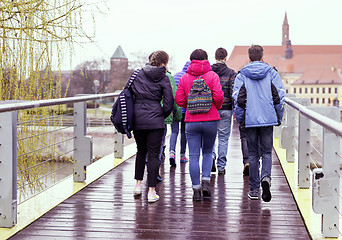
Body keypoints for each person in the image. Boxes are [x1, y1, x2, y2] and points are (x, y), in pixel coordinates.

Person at [233, 45, 285, 202]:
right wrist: (278, 117)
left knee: (253, 154)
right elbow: (279, 99)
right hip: (268, 119)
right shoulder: (272, 74)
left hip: (250, 120)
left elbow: (239, 100)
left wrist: (241, 120)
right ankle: (266, 179)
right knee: (267, 153)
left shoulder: (242, 75)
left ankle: (254, 190)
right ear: (263, 58)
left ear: (249, 58)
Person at [175, 49, 224, 201]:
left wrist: (190, 106)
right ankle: (206, 183)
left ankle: (196, 189)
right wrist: (216, 106)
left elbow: (179, 99)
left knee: (194, 155)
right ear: (206, 59)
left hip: (192, 121)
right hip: (211, 120)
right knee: (208, 152)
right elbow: (219, 96)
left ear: (191, 60)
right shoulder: (212, 76)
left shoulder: (184, 78)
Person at [132, 50, 174, 203]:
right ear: (164, 63)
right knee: (154, 155)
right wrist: (160, 114)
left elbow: (128, 94)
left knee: (141, 151)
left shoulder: (137, 75)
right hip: (156, 121)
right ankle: (151, 192)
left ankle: (137, 186)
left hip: (138, 119)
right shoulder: (163, 77)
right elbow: (169, 102)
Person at [210, 48, 236, 174]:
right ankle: (221, 166)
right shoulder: (231, 73)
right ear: (226, 57)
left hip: (211, 109)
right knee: (223, 138)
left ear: (215, 57)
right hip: (226, 109)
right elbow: (233, 93)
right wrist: (235, 110)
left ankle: (211, 157)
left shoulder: (208, 72)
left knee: (211, 137)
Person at [169, 61, 191, 167]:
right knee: (184, 132)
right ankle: (182, 155)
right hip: (185, 110)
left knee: (174, 131)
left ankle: (171, 153)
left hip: (175, 109)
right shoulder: (188, 78)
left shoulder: (175, 76)